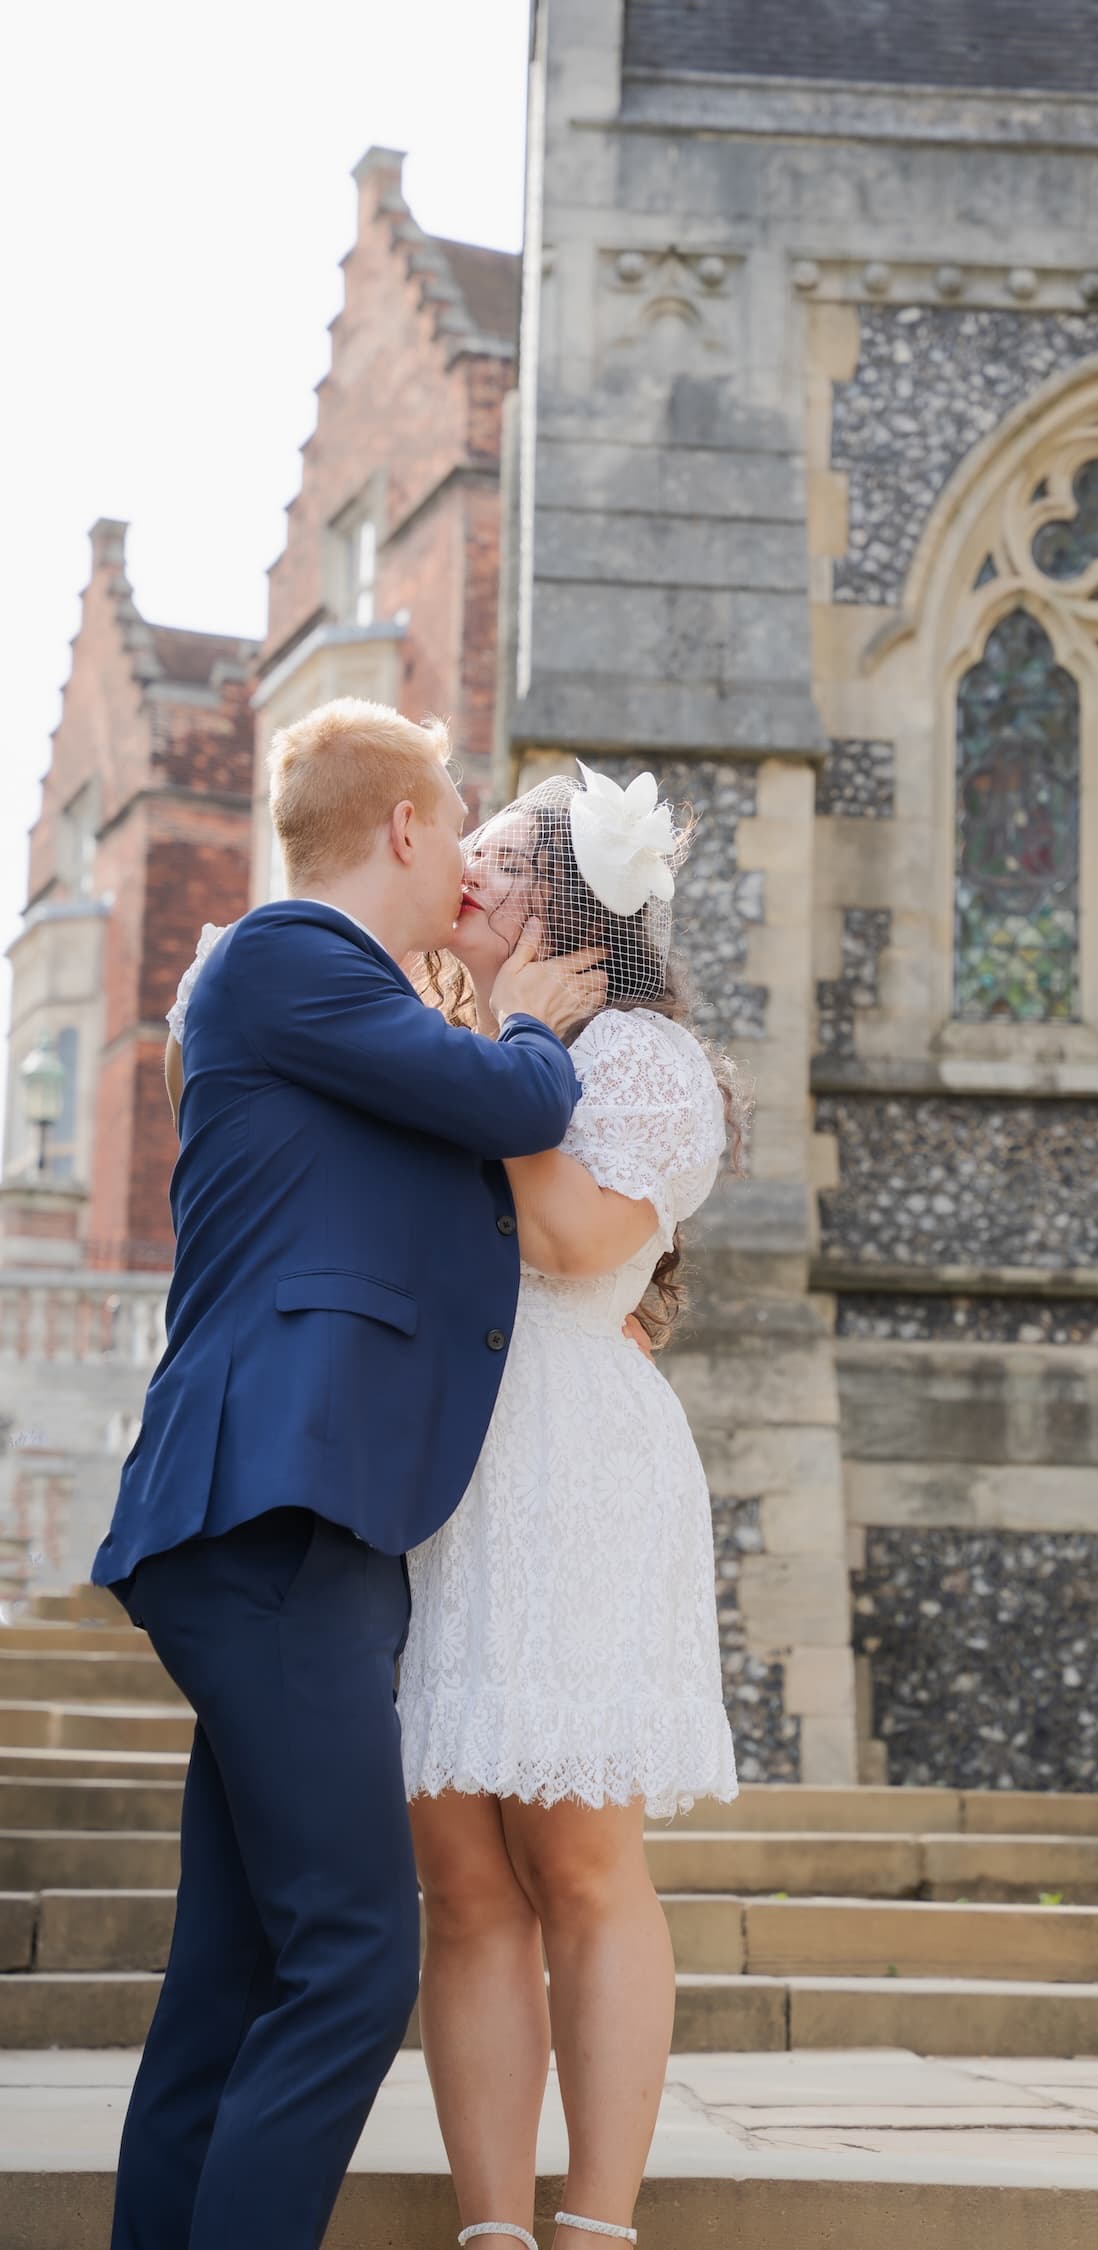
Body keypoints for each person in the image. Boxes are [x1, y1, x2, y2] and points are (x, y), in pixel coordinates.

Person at [91, 698, 604, 2250]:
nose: (465, 853)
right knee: (358, 1955)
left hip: (303, 1519)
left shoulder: (352, 1010)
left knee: (237, 1974)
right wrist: (521, 1004)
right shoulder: (284, 954)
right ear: (401, 829)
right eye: (454, 821)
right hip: (273, 1510)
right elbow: (520, 1100)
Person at [396, 765, 741, 2250]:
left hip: (570, 1466)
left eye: (496, 852)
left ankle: (595, 2223)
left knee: (583, 1864)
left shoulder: (652, 1064)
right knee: (462, 1885)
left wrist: (513, 1044)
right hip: (434, 1469)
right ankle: (490, 2225)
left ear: (570, 900)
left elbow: (564, 1231)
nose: (463, 866)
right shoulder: (446, 1037)